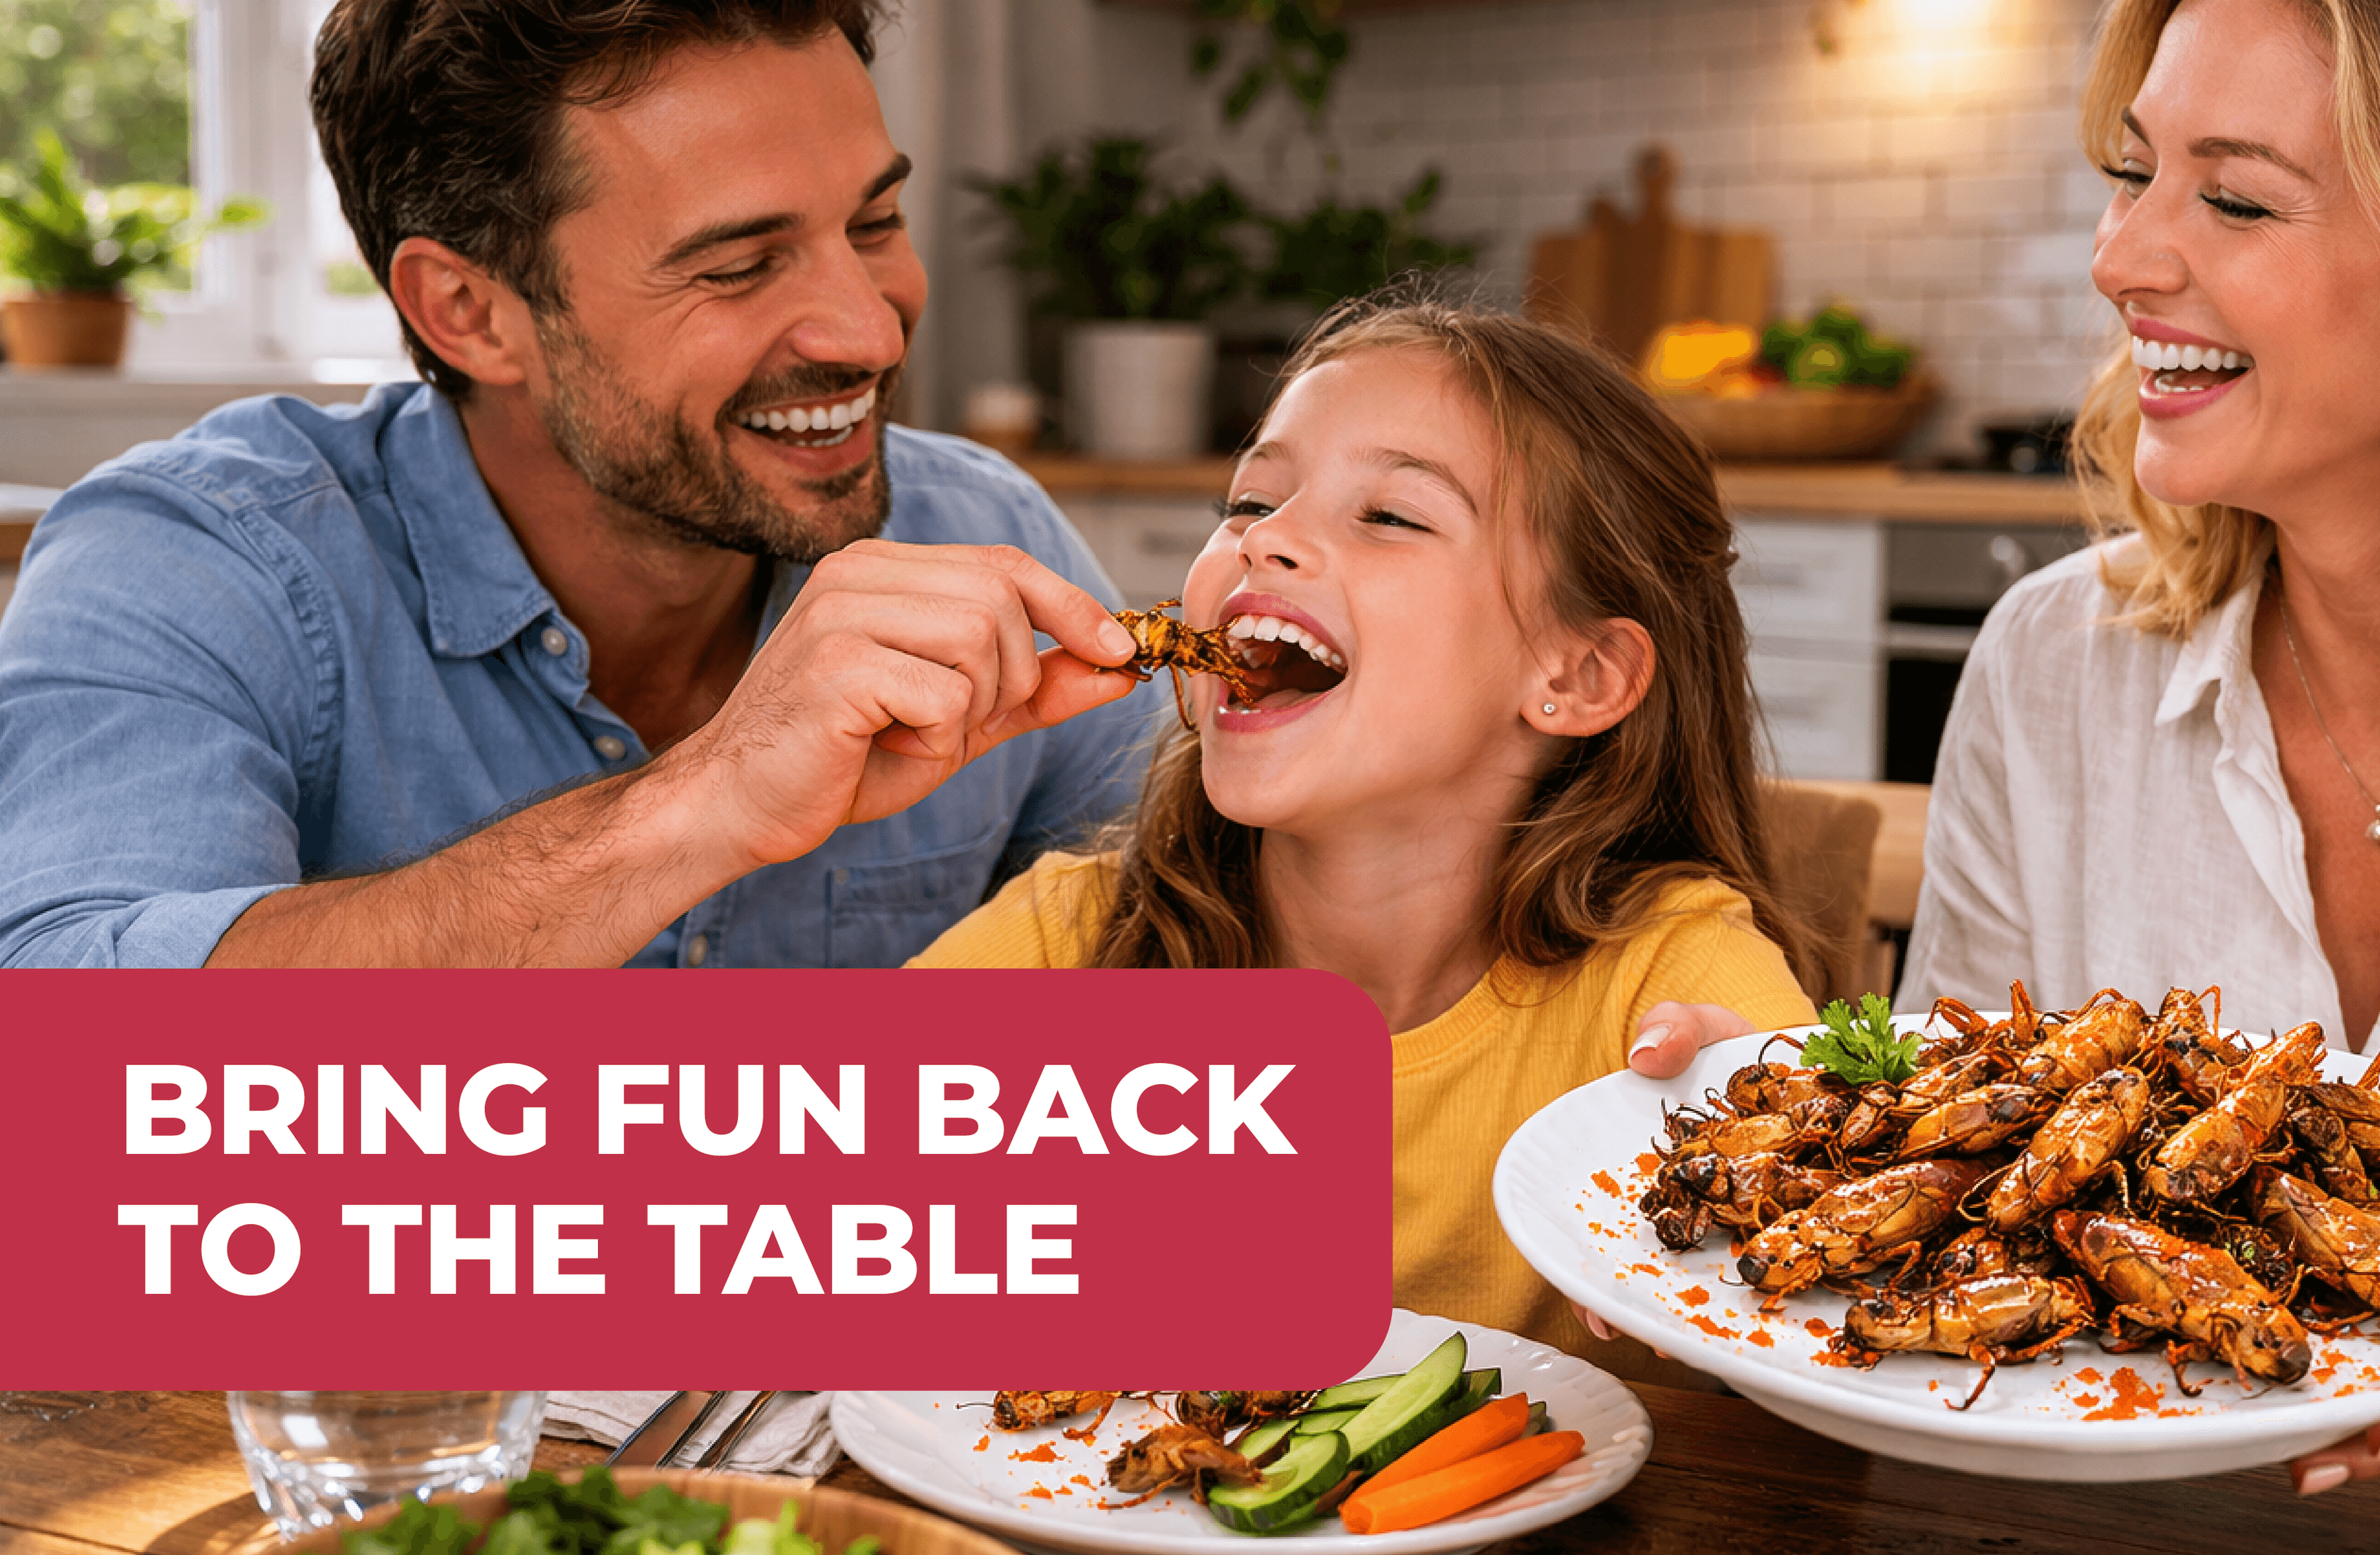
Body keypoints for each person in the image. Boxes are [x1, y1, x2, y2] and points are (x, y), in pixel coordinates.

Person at [1629, 0, 2380, 1487]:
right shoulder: (2056, 663)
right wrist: (1813, 1143)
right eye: (2135, 174)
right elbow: (1981, 1204)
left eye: (2236, 198)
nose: (2123, 259)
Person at [0, 0, 1156, 968]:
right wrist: (693, 807)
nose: (869, 332)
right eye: (739, 266)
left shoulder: (987, 533)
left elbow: (1211, 946)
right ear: (469, 312)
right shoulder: (196, 561)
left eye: (876, 220)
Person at [912, 298, 1820, 1384]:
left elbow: (1826, 1239)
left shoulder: (1665, 984)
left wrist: (1767, 1166)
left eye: (1389, 515)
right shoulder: (1077, 941)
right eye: (1249, 496)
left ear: (1577, 676)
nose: (1266, 535)